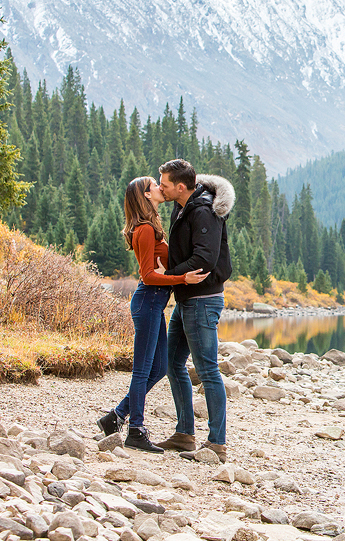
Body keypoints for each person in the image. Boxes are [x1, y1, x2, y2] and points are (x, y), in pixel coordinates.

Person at [96, 176, 207, 452]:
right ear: (146, 195)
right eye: (154, 186)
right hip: (147, 302)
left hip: (155, 303)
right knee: (143, 369)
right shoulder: (144, 229)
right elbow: (148, 275)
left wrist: (170, 272)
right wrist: (182, 279)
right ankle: (136, 430)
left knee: (158, 368)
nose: (160, 188)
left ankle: (116, 417)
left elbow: (158, 271)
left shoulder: (152, 226)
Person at [153, 159, 235, 462]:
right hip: (188, 297)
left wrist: (168, 275)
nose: (161, 187)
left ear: (181, 186)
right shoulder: (182, 205)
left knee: (208, 370)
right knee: (172, 362)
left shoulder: (203, 211)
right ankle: (185, 434)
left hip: (203, 299)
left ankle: (217, 444)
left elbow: (204, 259)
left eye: (165, 184)